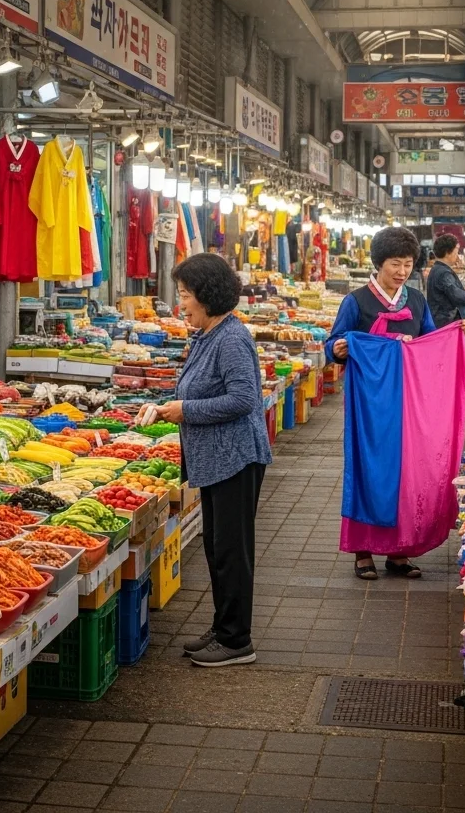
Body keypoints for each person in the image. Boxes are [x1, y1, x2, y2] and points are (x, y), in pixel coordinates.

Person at [138, 253, 271, 668]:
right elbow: (198, 393)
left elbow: (244, 399)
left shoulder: (231, 338)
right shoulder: (207, 335)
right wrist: (167, 408)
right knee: (217, 547)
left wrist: (184, 411)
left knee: (231, 551)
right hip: (216, 460)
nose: (181, 305)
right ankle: (224, 626)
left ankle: (237, 641)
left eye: (185, 295)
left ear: (208, 295)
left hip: (236, 458)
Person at [325, 226, 447, 580]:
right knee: (369, 470)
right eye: (395, 263)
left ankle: (399, 551)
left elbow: (430, 343)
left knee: (407, 471)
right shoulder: (357, 301)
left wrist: (453, 336)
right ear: (378, 263)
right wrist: (336, 348)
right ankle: (363, 551)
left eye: (408, 264)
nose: (402, 271)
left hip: (408, 402)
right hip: (367, 404)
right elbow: (333, 341)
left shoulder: (417, 302)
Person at [427, 233, 465, 375]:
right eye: (456, 251)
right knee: (452, 365)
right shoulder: (443, 273)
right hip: (447, 324)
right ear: (448, 252)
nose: (457, 254)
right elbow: (457, 296)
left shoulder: (439, 269)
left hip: (441, 322)